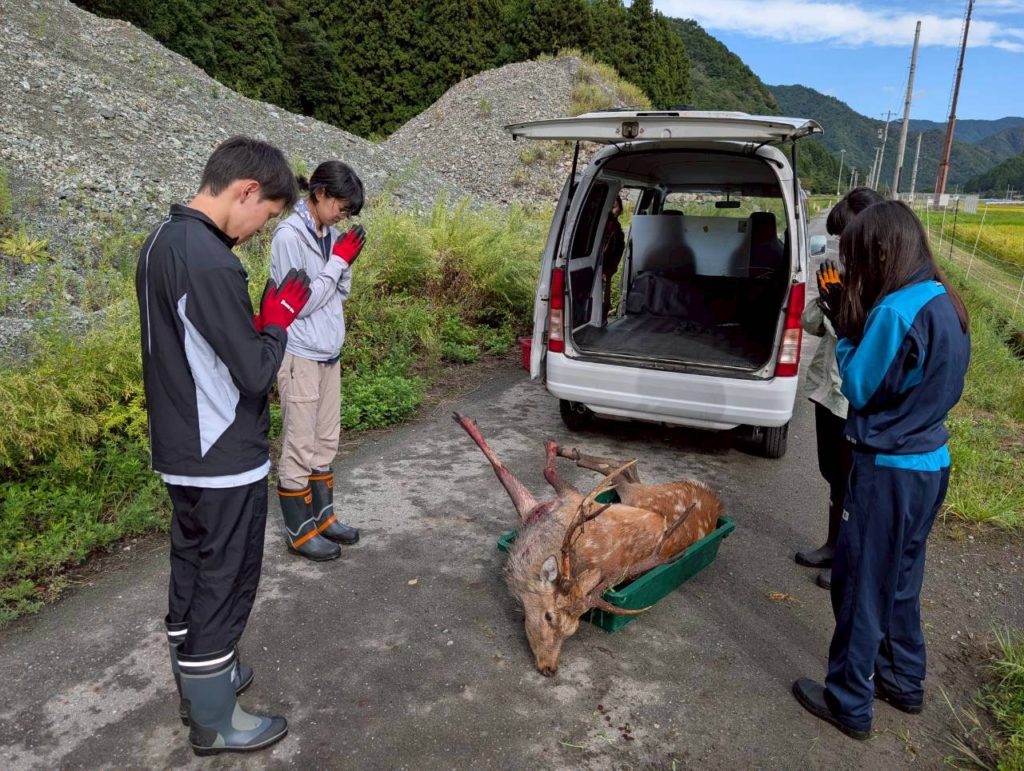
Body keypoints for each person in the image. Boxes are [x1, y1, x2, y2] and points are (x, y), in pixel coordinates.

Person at [136, 135, 310, 755]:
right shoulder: (210, 260)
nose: (258, 231)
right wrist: (278, 323)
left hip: (181, 448)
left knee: (192, 571)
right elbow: (255, 373)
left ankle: (201, 678)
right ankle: (215, 721)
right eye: (264, 217)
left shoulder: (162, 240)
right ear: (246, 191)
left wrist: (260, 323)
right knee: (226, 581)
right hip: (222, 454)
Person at [792, 200, 971, 740]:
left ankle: (849, 700)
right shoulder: (943, 300)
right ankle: (902, 680)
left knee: (860, 586)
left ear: (883, 252)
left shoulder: (894, 313)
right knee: (900, 581)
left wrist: (847, 330)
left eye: (857, 257)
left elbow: (862, 388)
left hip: (887, 471)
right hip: (929, 463)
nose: (853, 267)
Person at [270, 161, 365, 561]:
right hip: (300, 354)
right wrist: (339, 263)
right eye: (341, 206)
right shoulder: (289, 236)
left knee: (326, 438)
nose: (344, 215)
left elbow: (337, 293)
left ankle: (323, 517)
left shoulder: (331, 235)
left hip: (329, 353)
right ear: (320, 193)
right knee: (299, 442)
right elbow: (301, 303)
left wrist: (340, 265)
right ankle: (299, 530)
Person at [795, 188, 883, 591]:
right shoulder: (849, 274)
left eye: (847, 235)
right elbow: (812, 324)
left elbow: (863, 338)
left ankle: (849, 559)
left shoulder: (888, 286)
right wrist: (823, 299)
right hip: (829, 392)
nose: (842, 246)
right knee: (832, 474)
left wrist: (837, 311)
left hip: (855, 398)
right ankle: (833, 545)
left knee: (854, 482)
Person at [600, 195, 625, 323]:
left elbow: (617, 254)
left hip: (605, 271)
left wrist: (608, 272)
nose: (613, 210)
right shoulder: (599, 225)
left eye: (615, 207)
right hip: (597, 269)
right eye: (610, 207)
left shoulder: (617, 230)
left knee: (604, 302)